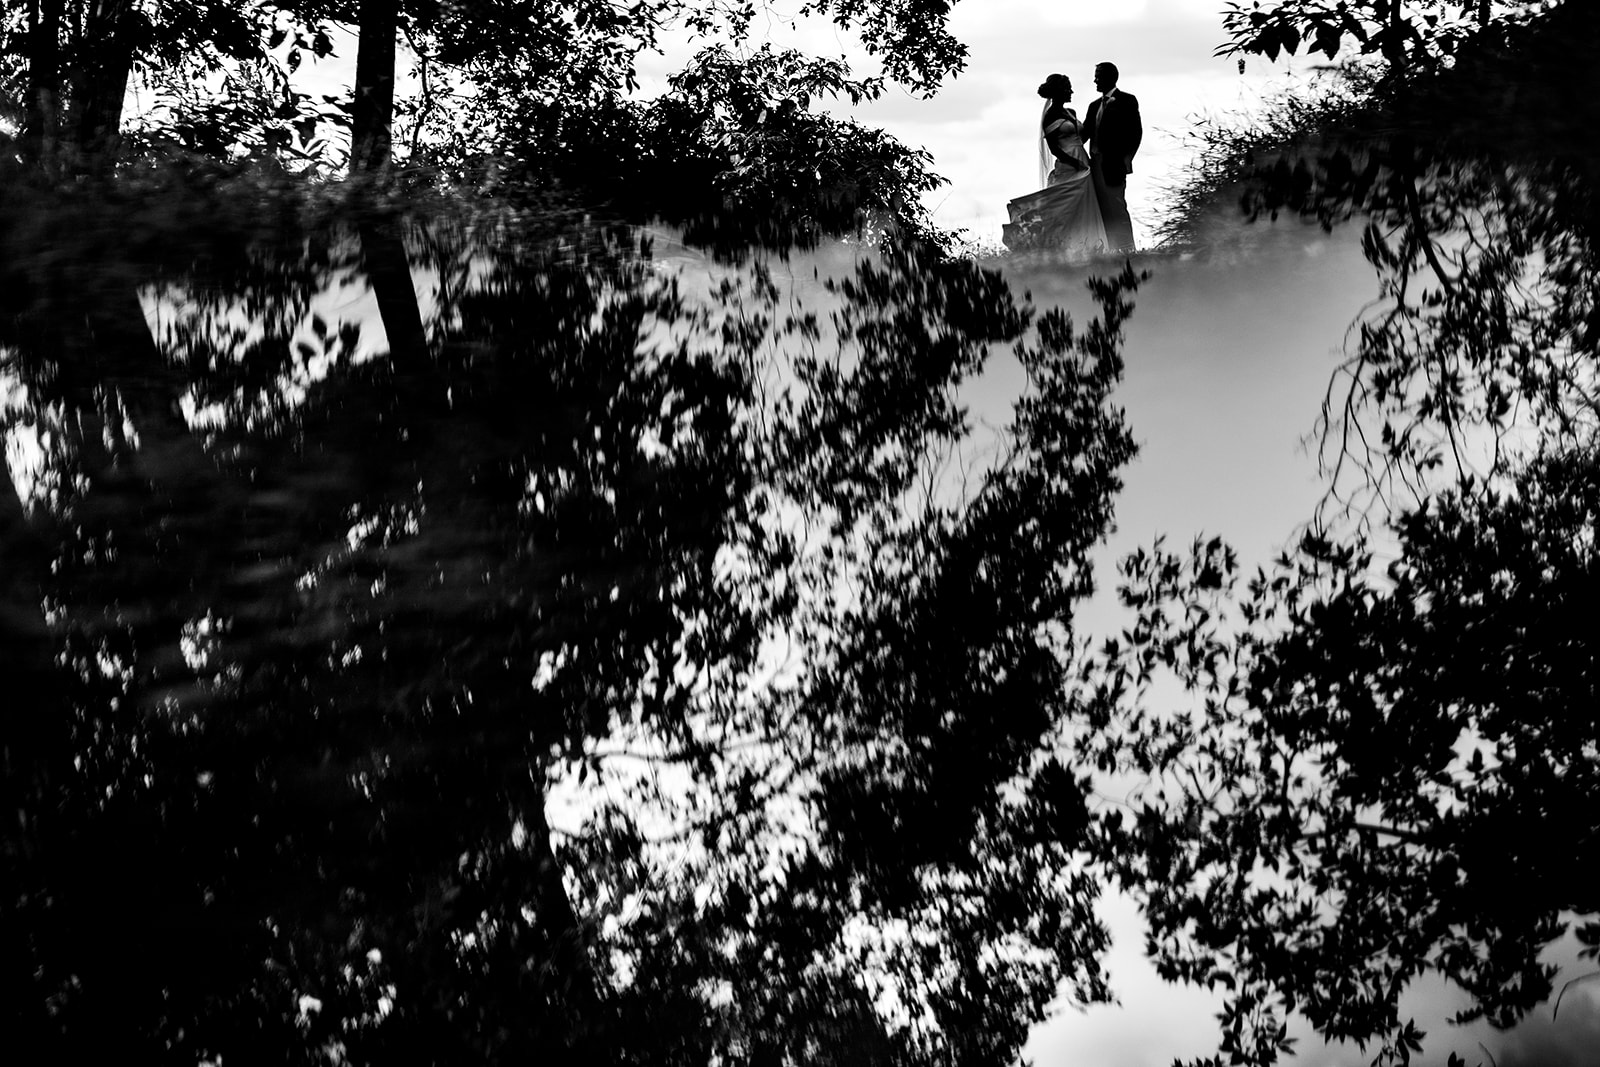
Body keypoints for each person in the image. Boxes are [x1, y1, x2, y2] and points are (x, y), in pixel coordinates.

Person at [1001, 73, 1108, 257]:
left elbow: (1081, 136)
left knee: (1082, 204)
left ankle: (1085, 246)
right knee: (1062, 205)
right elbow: (1054, 149)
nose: (1071, 92)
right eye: (1067, 88)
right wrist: (1075, 163)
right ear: (1059, 91)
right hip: (1069, 163)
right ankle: (1035, 238)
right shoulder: (1050, 116)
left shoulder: (1071, 112)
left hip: (1082, 159)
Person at [1084, 61, 1141, 252]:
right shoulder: (1093, 107)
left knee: (1117, 205)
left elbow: (1136, 133)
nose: (1095, 80)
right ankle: (1110, 248)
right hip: (1094, 165)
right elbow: (1084, 134)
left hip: (1114, 164)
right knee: (1102, 208)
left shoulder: (1127, 100)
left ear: (1111, 77)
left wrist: (1128, 158)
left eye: (1098, 76)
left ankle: (1127, 248)